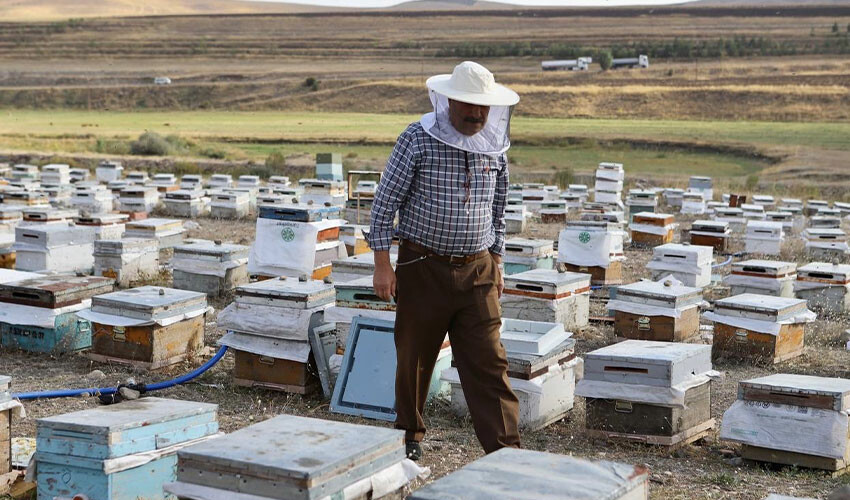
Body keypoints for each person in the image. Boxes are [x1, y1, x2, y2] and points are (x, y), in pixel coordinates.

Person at [369, 61, 521, 461]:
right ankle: (408, 439)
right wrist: (382, 263)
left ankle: (506, 453)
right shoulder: (416, 139)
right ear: (448, 101)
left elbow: (499, 206)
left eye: (483, 108)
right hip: (423, 266)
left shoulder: (495, 145)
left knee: (490, 362)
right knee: (414, 359)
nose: (476, 114)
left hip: (479, 269)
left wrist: (498, 258)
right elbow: (385, 203)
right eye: (468, 106)